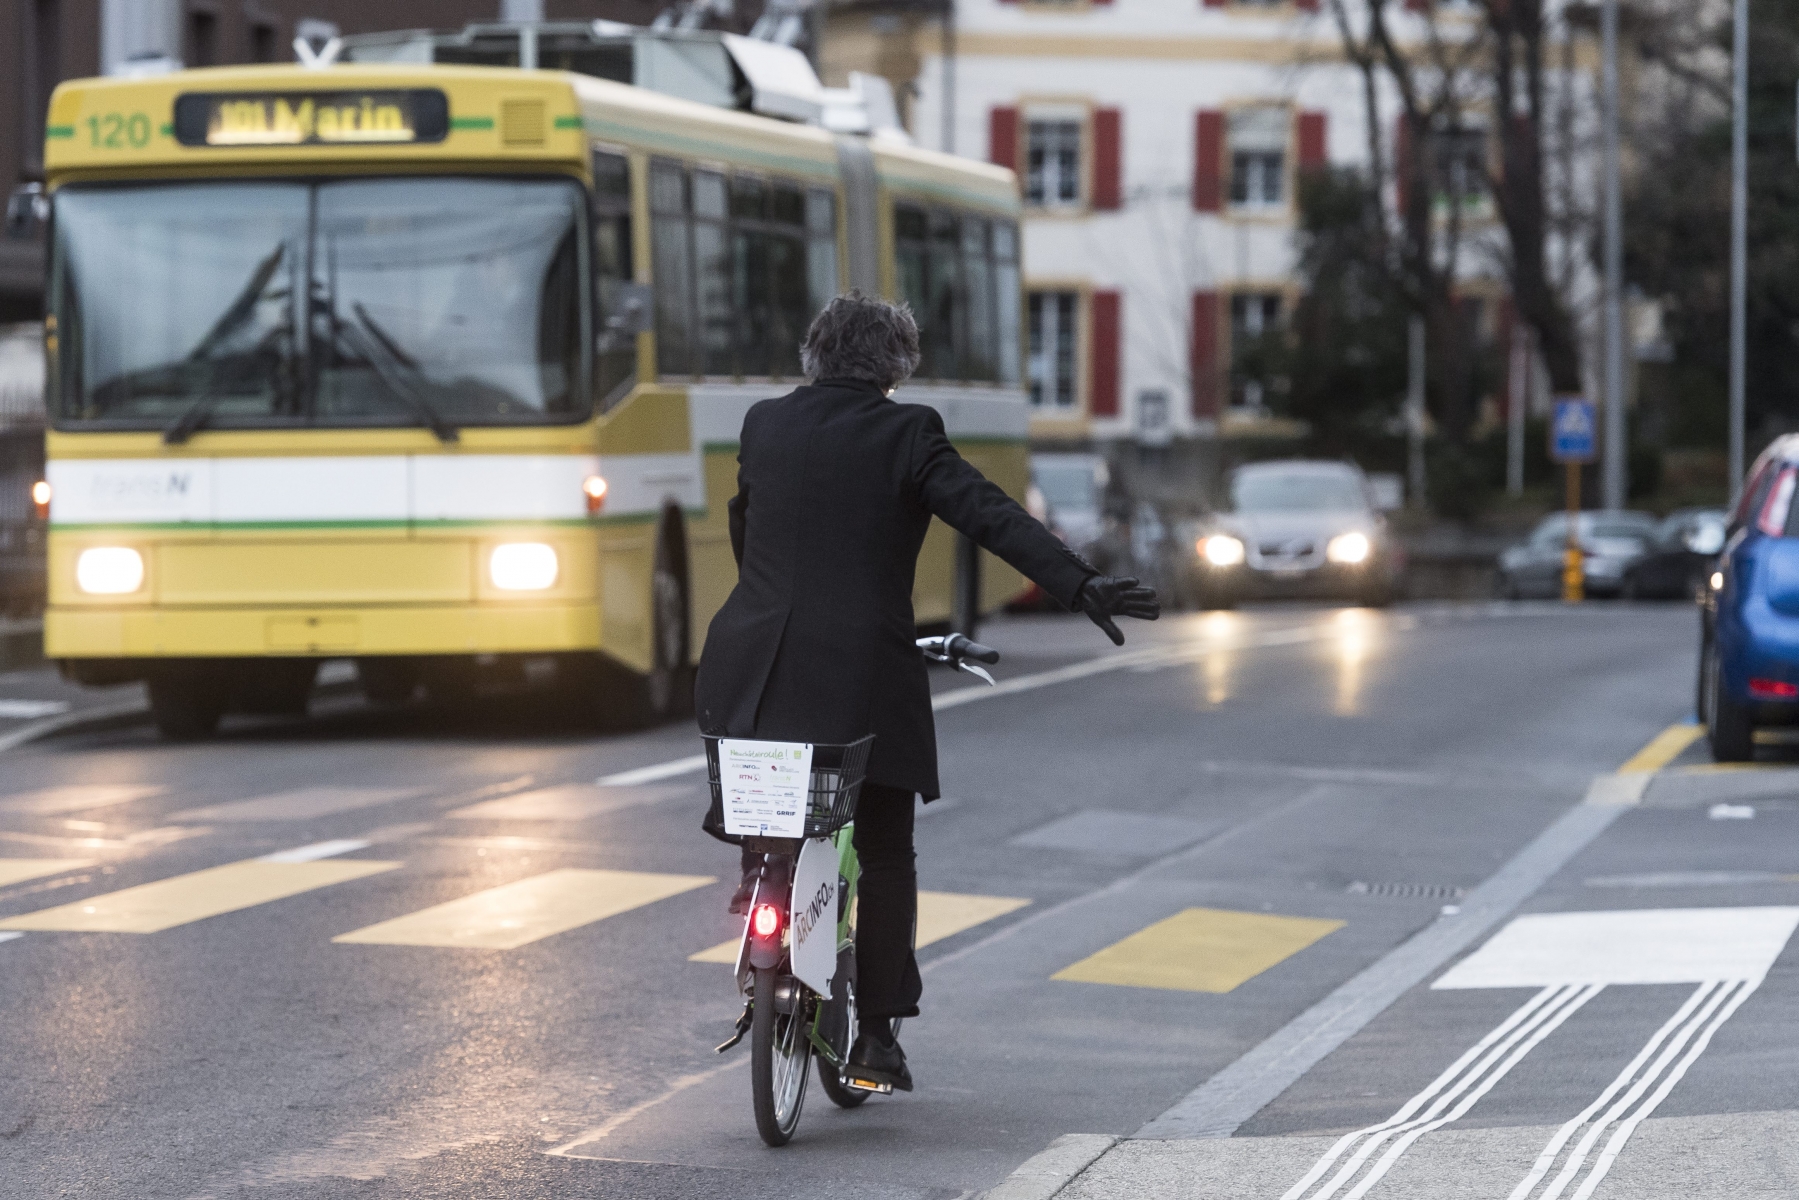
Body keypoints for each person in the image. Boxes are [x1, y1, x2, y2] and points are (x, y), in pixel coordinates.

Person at [694, 293, 1159, 1093]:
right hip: (862, 673)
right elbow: (988, 515)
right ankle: (876, 1038)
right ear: (896, 365)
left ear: (814, 353)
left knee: (768, 793)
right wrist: (1075, 584)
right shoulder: (907, 432)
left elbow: (748, 528)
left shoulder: (764, 424)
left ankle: (757, 886)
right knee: (883, 851)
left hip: (751, 660)